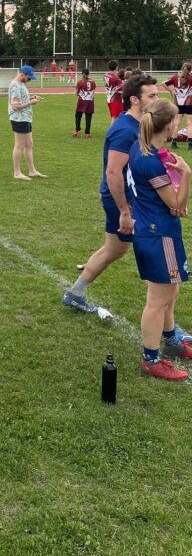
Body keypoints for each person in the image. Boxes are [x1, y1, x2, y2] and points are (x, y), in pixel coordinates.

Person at [62, 74, 173, 315]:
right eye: (152, 95)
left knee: (114, 249)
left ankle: (75, 293)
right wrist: (124, 211)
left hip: (126, 201)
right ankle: (167, 326)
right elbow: (113, 172)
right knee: (154, 257)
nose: (157, 99)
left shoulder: (138, 125)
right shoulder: (125, 131)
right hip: (124, 202)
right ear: (135, 99)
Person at [127, 99, 191, 380]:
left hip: (153, 230)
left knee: (171, 292)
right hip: (158, 234)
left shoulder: (141, 149)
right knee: (158, 299)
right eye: (176, 119)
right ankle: (151, 359)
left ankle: (173, 342)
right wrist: (186, 173)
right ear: (168, 126)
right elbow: (176, 203)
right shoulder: (151, 162)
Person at [8, 65, 46, 180]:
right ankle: (17, 172)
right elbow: (15, 106)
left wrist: (31, 98)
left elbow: (21, 100)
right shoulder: (15, 85)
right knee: (19, 145)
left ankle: (32, 171)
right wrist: (31, 103)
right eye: (29, 78)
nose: (29, 80)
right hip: (19, 118)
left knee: (29, 144)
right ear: (22, 74)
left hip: (25, 118)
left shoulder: (21, 84)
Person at [162, 62, 192, 148]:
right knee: (190, 123)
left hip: (178, 103)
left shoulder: (176, 77)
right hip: (189, 103)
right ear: (190, 69)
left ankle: (173, 142)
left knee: (177, 123)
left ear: (182, 68)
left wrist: (171, 91)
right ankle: (190, 144)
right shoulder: (191, 77)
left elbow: (164, 83)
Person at [73, 68, 96, 138]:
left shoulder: (80, 82)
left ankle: (77, 131)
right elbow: (93, 91)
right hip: (90, 102)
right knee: (88, 118)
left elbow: (76, 93)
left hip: (81, 101)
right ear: (88, 73)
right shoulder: (93, 82)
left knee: (78, 116)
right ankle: (87, 133)